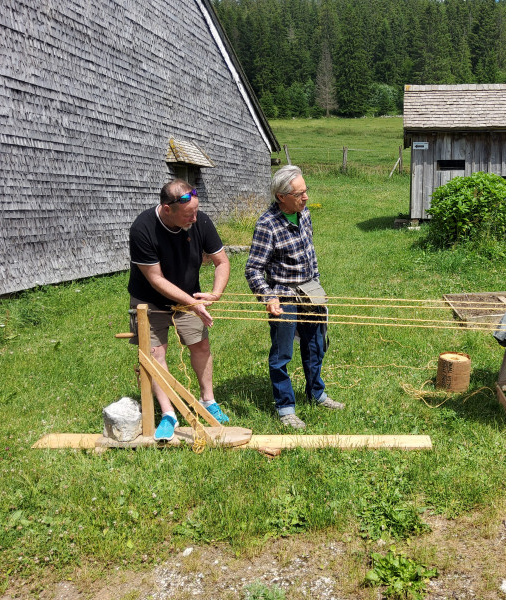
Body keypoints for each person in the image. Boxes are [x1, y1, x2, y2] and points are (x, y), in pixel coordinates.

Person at [128, 179, 231, 441]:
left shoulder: (201, 221)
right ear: (166, 209)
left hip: (189, 297)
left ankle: (208, 401)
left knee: (201, 346)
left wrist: (215, 294)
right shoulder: (143, 228)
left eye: (196, 211)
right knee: (154, 355)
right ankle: (168, 414)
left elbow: (221, 261)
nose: (195, 219)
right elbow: (156, 279)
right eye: (188, 214)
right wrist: (194, 303)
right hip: (149, 301)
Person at [245, 165, 344, 429]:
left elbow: (310, 253)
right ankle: (286, 407)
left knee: (315, 346)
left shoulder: (305, 214)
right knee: (282, 355)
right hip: (284, 297)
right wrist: (268, 297)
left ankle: (317, 393)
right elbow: (253, 269)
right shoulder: (267, 225)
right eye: (299, 193)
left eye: (305, 191)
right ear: (281, 196)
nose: (306, 197)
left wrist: (317, 285)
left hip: (310, 292)